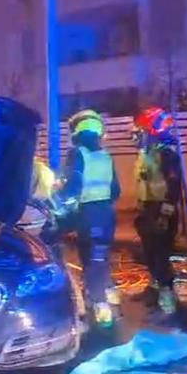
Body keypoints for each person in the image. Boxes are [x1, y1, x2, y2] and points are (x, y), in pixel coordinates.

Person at [56, 109, 121, 328]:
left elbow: (73, 187)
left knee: (90, 259)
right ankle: (111, 295)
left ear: (77, 131)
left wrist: (58, 207)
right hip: (107, 213)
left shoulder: (77, 154)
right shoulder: (106, 156)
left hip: (88, 213)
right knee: (100, 256)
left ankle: (100, 308)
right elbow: (115, 190)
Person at [131, 107, 184, 315]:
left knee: (161, 255)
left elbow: (174, 186)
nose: (135, 134)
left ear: (152, 131)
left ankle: (167, 298)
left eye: (140, 130)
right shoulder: (146, 154)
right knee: (150, 253)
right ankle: (154, 290)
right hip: (148, 208)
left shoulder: (166, 154)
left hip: (161, 209)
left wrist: (165, 213)